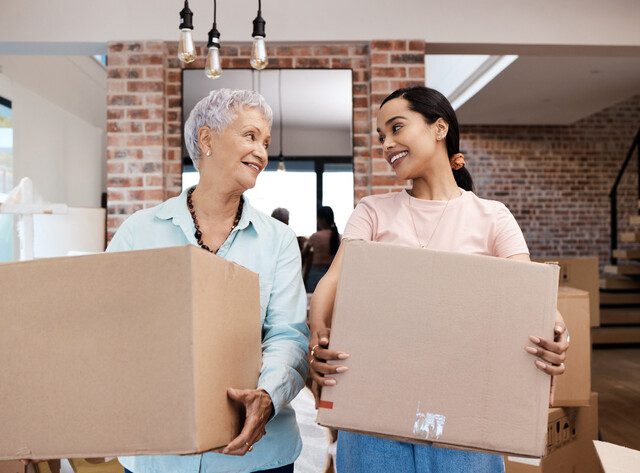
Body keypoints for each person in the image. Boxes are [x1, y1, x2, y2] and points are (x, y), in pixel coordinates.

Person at [308, 86, 569, 473]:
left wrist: (556, 333)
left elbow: (529, 297)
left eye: (397, 128)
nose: (387, 144)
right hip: (374, 421)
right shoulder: (372, 211)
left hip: (465, 424)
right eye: (381, 137)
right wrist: (318, 334)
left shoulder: (492, 217)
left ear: (439, 128)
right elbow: (332, 281)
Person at [107, 89, 309, 473]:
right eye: (250, 136)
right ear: (206, 139)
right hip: (160, 453)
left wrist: (267, 395)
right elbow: (109, 327)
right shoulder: (139, 231)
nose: (263, 153)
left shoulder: (278, 240)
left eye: (266, 142)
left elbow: (288, 335)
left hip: (256, 456)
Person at [302, 206, 340, 293]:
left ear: (322, 219)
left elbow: (303, 254)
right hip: (334, 273)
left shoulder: (316, 236)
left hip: (316, 274)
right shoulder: (338, 236)